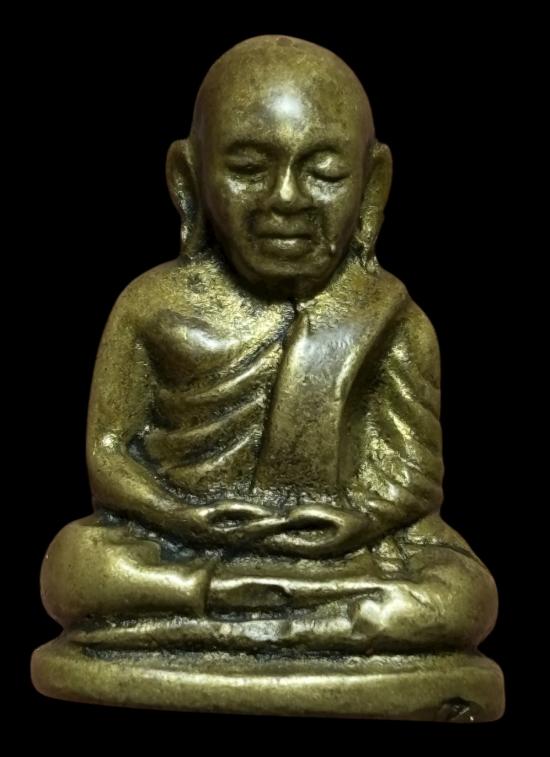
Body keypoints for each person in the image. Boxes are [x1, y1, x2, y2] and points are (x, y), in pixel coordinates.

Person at [33, 35, 503, 719]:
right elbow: (108, 455)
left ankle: (246, 616)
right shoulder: (150, 307)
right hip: (187, 546)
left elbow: (416, 479)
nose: (286, 199)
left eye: (325, 172)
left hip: (345, 555)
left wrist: (355, 523)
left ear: (373, 185)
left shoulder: (393, 320)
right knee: (76, 563)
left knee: (461, 593)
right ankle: (263, 608)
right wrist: (179, 515)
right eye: (249, 168)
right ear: (187, 180)